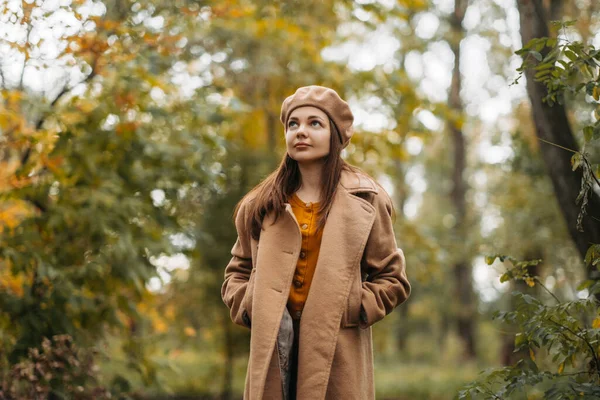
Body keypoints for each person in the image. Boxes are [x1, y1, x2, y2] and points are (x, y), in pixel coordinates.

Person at [221, 85, 411, 400]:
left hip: (338, 346)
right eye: (293, 124)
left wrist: (353, 307)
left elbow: (393, 279)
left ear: (334, 135)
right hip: (273, 345)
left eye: (314, 123)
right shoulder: (259, 205)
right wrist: (252, 304)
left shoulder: (367, 199)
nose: (301, 132)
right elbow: (236, 273)